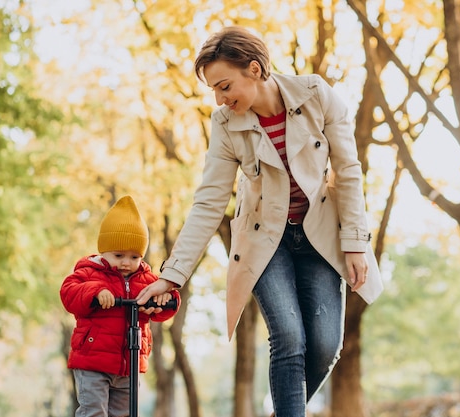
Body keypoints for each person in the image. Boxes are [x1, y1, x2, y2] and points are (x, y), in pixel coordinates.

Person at [136, 26, 383, 417]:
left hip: (320, 236)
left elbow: (348, 171)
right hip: (267, 240)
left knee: (323, 346)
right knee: (288, 336)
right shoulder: (225, 124)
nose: (219, 99)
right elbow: (209, 202)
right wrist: (172, 275)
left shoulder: (317, 95)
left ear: (254, 69)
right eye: (214, 90)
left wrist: (354, 241)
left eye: (224, 86)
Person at [60, 195, 180, 417]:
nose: (126, 262)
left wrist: (165, 300)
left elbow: (168, 304)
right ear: (103, 251)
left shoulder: (146, 279)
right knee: (93, 411)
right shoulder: (89, 273)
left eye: (134, 257)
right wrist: (96, 292)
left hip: (129, 363)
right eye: (118, 255)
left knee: (124, 413)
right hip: (93, 362)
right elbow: (69, 292)